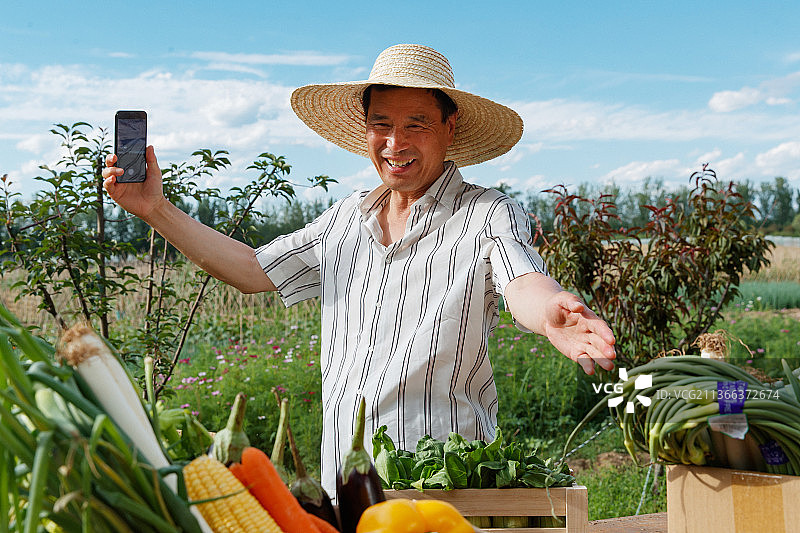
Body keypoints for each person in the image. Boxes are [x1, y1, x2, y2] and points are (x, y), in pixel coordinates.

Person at [103, 43, 616, 498]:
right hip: (344, 487)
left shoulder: (485, 213)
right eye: (382, 124)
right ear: (365, 129)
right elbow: (253, 269)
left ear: (449, 127)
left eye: (416, 123)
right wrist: (155, 210)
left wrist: (551, 311)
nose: (396, 142)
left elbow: (522, 280)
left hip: (444, 488)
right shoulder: (346, 218)